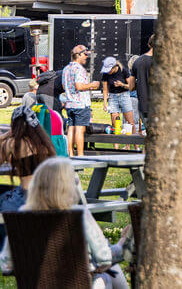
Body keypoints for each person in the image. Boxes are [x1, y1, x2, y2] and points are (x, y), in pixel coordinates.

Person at [0, 158, 128, 288]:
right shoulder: (79, 214)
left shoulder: (22, 216)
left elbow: (6, 265)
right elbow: (104, 259)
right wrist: (122, 242)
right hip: (81, 284)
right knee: (106, 276)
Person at [0, 104, 58, 236]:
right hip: (48, 195)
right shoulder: (46, 144)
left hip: (24, 197)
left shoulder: (12, 144)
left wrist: (5, 136)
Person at [62, 44, 100, 157]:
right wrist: (92, 85)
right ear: (78, 55)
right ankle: (80, 155)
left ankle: (70, 154)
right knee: (79, 130)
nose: (86, 57)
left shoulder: (66, 69)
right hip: (80, 105)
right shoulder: (79, 69)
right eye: (85, 54)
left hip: (70, 104)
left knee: (71, 129)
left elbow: (64, 86)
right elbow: (79, 86)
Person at [101, 56, 134, 134]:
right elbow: (105, 90)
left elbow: (131, 86)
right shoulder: (105, 74)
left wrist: (122, 84)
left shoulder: (124, 70)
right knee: (115, 125)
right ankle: (116, 146)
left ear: (114, 67)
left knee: (130, 123)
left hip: (124, 96)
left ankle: (134, 146)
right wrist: (105, 103)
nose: (108, 72)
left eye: (109, 70)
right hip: (113, 98)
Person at [128, 35, 155, 130]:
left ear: (148, 44)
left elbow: (131, 87)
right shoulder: (163, 62)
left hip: (144, 106)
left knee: (150, 135)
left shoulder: (137, 62)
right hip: (159, 106)